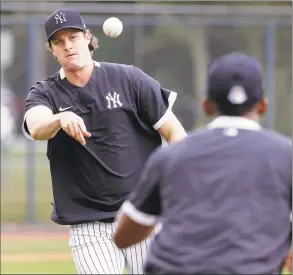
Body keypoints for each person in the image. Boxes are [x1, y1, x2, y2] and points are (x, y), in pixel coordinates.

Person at [22, 8, 186, 274]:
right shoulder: (46, 93)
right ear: (51, 49)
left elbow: (175, 134)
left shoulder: (130, 79)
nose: (67, 46)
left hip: (142, 214)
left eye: (73, 37)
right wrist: (59, 120)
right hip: (89, 224)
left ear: (87, 37)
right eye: (58, 41)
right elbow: (37, 126)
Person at [113, 52, 292, 274]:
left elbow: (123, 237)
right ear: (263, 105)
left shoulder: (170, 156)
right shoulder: (286, 156)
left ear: (206, 105)